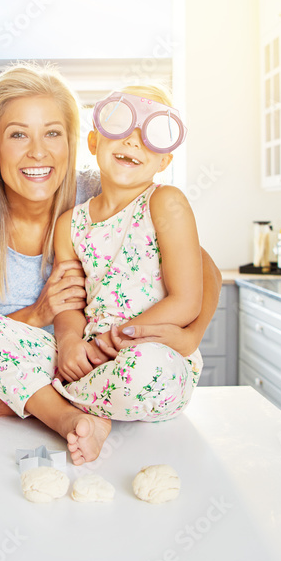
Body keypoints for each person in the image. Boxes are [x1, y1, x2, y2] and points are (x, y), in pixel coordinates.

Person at [0, 63, 222, 464]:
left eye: (52, 133)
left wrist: (191, 337)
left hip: (111, 366)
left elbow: (206, 274)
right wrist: (39, 314)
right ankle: (65, 416)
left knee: (150, 367)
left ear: (74, 142)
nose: (38, 152)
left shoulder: (116, 188)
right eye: (17, 134)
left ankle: (36, 401)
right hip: (61, 363)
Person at [51, 85, 201, 424]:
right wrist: (71, 341)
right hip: (87, 354)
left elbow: (186, 301)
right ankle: (65, 398)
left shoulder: (167, 203)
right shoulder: (69, 224)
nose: (134, 141)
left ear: (164, 160)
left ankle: (45, 401)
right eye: (121, 125)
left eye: (152, 134)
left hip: (151, 354)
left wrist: (106, 345)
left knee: (144, 370)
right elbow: (69, 304)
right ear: (94, 143)